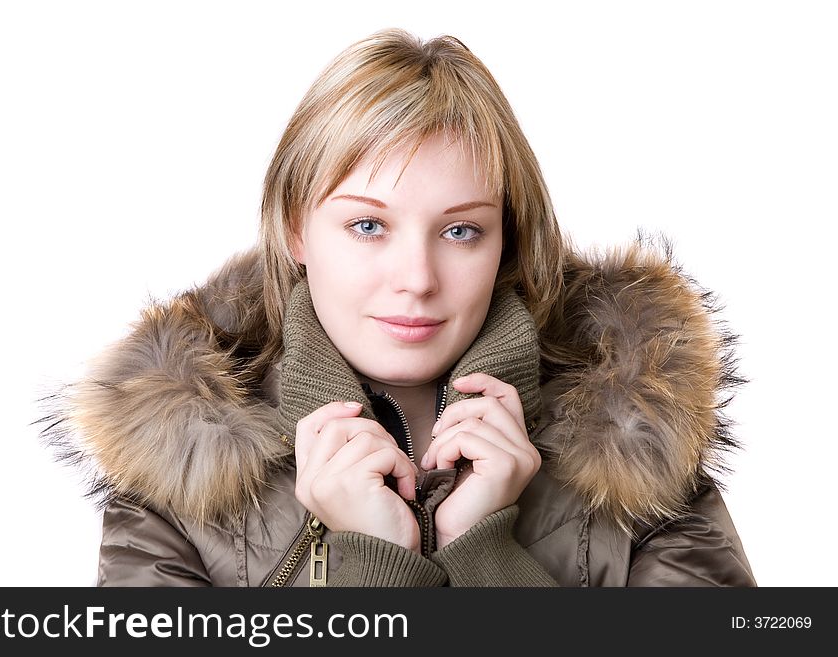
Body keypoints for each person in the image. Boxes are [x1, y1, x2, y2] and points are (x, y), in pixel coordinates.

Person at [40, 28, 756, 586]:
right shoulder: (178, 479)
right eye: (368, 226)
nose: (416, 278)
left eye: (459, 230)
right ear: (296, 229)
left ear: (505, 239)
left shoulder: (640, 454)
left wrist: (488, 559)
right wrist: (373, 568)